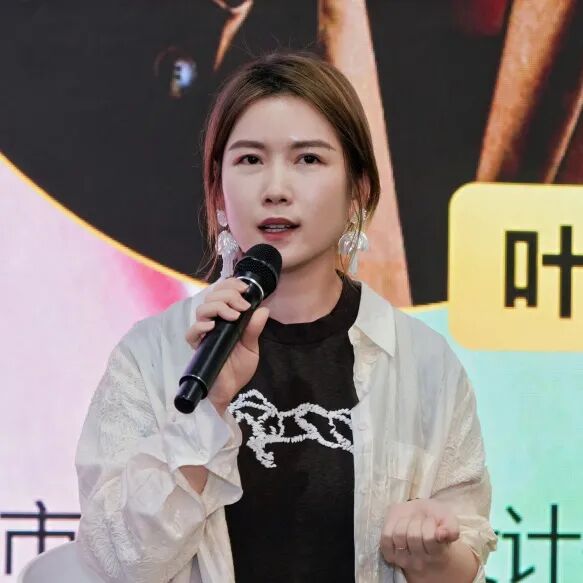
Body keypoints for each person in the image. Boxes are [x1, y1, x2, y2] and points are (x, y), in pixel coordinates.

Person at [75, 52, 497, 583]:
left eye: (308, 159)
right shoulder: (153, 354)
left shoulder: (422, 362)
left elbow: (465, 552)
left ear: (358, 190)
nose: (275, 188)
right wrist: (207, 410)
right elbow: (116, 563)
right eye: (250, 160)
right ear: (218, 191)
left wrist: (430, 554)